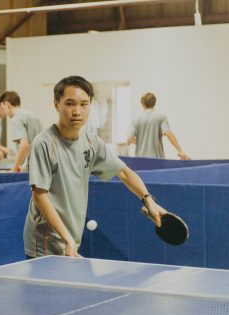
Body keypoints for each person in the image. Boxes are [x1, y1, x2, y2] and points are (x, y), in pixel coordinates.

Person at [23, 76, 166, 258]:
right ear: (56, 104)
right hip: (44, 242)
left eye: (84, 104)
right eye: (70, 103)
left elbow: (123, 172)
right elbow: (39, 196)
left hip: (71, 239)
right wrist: (66, 238)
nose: (77, 111)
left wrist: (148, 200)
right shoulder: (43, 143)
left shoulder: (91, 141)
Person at [127, 92, 190, 160]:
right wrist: (180, 151)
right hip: (157, 160)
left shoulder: (135, 120)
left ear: (142, 104)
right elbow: (168, 133)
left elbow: (129, 139)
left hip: (140, 161)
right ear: (154, 103)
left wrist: (142, 143)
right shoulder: (161, 118)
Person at [0, 90, 43, 172]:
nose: (4, 112)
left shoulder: (16, 119)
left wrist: (14, 168)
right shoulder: (32, 116)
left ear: (7, 105)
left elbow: (25, 145)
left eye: (3, 108)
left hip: (33, 169)